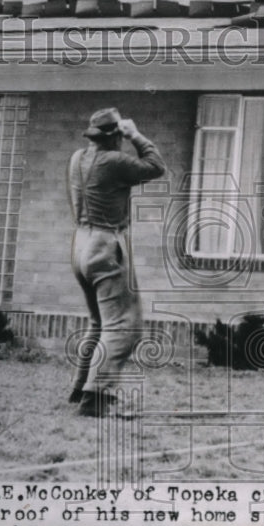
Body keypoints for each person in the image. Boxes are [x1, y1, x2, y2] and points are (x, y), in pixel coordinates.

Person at [67, 108, 166, 417]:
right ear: (114, 137)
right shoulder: (114, 161)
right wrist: (134, 134)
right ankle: (95, 399)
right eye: (120, 137)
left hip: (81, 243)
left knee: (99, 323)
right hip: (105, 245)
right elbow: (156, 167)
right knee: (124, 327)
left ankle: (81, 388)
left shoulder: (77, 158)